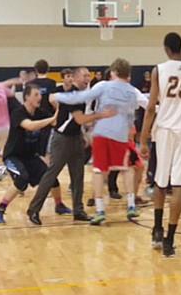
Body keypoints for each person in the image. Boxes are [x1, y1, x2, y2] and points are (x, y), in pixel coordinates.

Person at [54, 59, 141, 226]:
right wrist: (130, 133)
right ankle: (131, 205)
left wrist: (58, 95)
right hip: (121, 133)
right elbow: (132, 115)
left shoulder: (103, 85)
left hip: (102, 132)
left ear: (114, 72)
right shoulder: (132, 91)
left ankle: (100, 210)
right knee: (126, 169)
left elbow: (82, 96)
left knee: (99, 171)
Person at [140, 32, 181, 258]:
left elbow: (150, 108)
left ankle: (157, 229)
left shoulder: (160, 69)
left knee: (160, 180)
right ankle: (169, 240)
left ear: (167, 48)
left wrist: (143, 138)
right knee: (179, 187)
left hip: (165, 131)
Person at [26, 67, 115, 225]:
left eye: (89, 75)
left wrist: (82, 135)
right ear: (74, 78)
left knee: (78, 175)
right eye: (84, 76)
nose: (87, 78)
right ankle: (34, 209)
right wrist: (102, 115)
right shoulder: (71, 96)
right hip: (62, 139)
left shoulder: (82, 96)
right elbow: (80, 119)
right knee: (51, 174)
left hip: (74, 138)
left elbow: (77, 122)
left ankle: (78, 210)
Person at [0, 84, 66, 225]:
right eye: (36, 94)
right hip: (13, 156)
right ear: (26, 97)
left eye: (40, 94)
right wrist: (51, 119)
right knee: (21, 180)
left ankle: (59, 205)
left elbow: (56, 121)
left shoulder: (40, 112)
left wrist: (57, 107)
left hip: (31, 156)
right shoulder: (18, 113)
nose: (40, 97)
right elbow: (30, 126)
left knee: (51, 178)